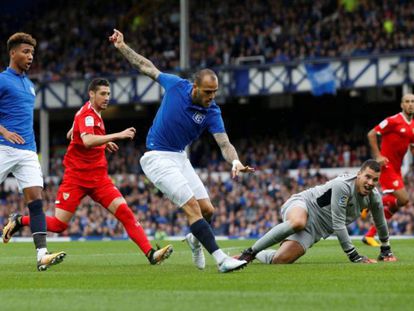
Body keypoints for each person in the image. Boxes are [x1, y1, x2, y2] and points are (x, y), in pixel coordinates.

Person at [109, 29, 254, 273]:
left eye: (215, 92)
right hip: (157, 158)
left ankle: (194, 241)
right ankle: (221, 259)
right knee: (192, 207)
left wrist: (235, 161)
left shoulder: (212, 112)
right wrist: (122, 47)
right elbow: (147, 66)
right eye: (208, 92)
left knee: (208, 210)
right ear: (195, 87)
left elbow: (224, 144)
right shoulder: (176, 86)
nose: (212, 97)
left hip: (179, 157)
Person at [4, 78, 173, 265]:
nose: (107, 97)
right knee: (59, 225)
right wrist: (117, 135)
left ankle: (151, 254)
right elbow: (87, 141)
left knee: (125, 212)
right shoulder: (88, 114)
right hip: (76, 178)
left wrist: (101, 140)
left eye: (108, 94)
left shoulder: (90, 113)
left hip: (99, 179)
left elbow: (73, 134)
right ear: (91, 94)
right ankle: (20, 220)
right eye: (102, 93)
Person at [237, 160, 397, 265]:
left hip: (316, 230)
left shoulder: (374, 196)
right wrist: (354, 256)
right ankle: (250, 253)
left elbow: (380, 221)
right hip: (303, 204)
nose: (370, 183)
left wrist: (385, 249)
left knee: (280, 260)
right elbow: (338, 223)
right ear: (359, 174)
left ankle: (258, 254)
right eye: (367, 177)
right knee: (298, 222)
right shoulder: (344, 186)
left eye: (375, 180)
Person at [0, 32, 66, 271]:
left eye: (32, 53)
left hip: (28, 151)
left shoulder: (30, 85)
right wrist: (5, 132)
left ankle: (42, 255)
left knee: (36, 201)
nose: (30, 57)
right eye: (26, 52)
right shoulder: (2, 80)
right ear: (13, 53)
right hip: (3, 147)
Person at [362, 94, 414, 246]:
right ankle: (368, 203)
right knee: (404, 199)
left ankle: (370, 235)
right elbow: (371, 133)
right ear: (401, 105)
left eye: (412, 102)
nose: (410, 104)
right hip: (387, 166)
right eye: (407, 102)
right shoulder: (393, 120)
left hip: (397, 169)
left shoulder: (412, 126)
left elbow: (411, 146)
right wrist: (378, 155)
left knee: (395, 205)